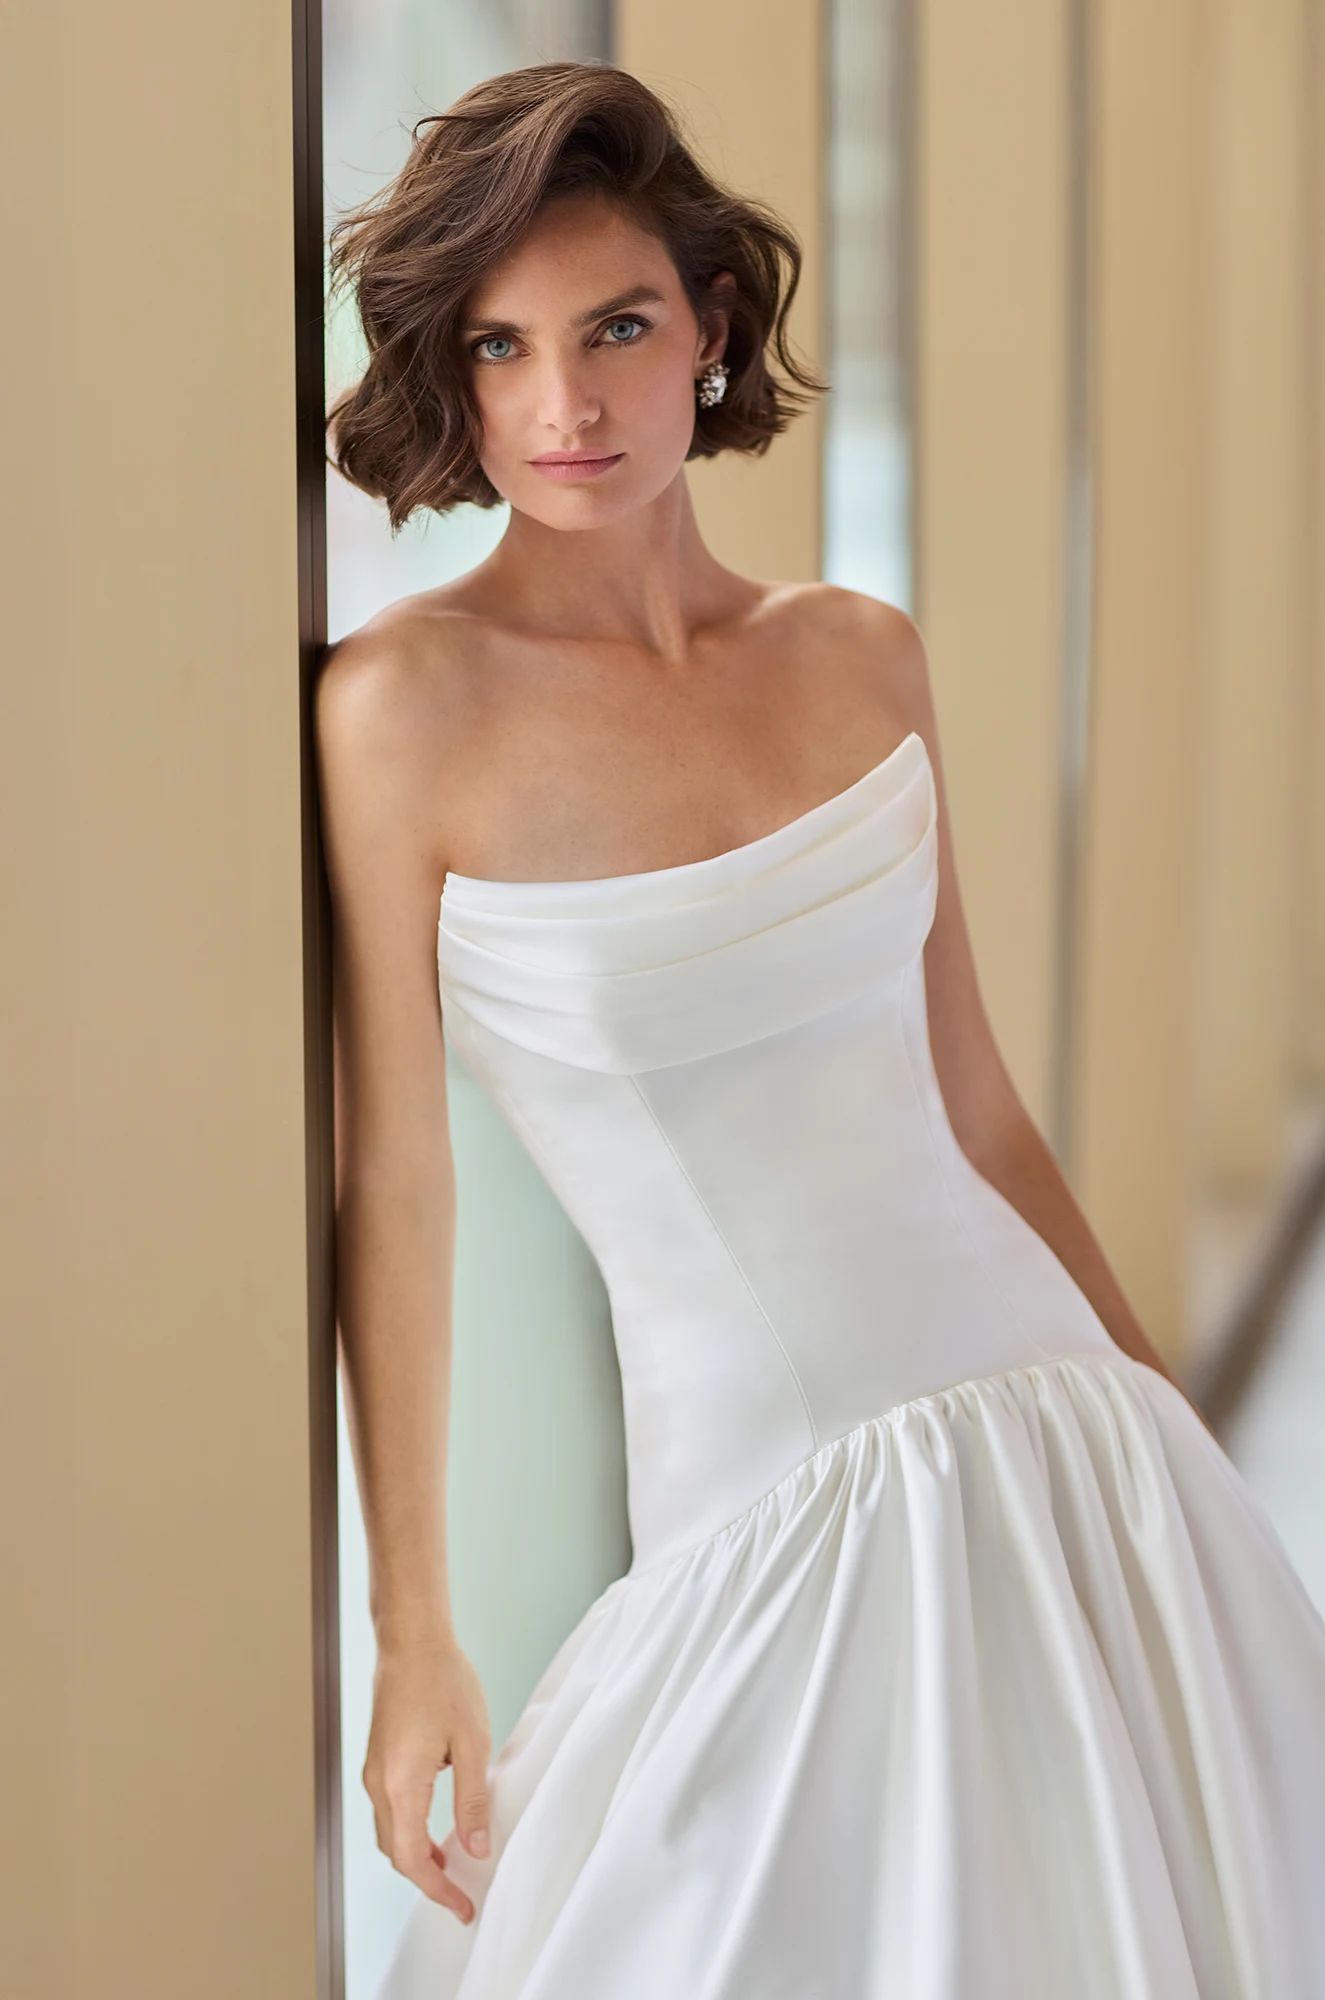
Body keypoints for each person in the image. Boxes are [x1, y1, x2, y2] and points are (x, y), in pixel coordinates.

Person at [314, 60, 1325, 2000]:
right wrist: (414, 1632)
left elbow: (976, 1110)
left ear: (709, 326)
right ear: (451, 374)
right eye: (502, 347)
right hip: (764, 1514)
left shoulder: (858, 653)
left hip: (1064, 1437)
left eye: (615, 328)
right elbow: (400, 1185)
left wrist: (1166, 1433)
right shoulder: (401, 710)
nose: (564, 404)